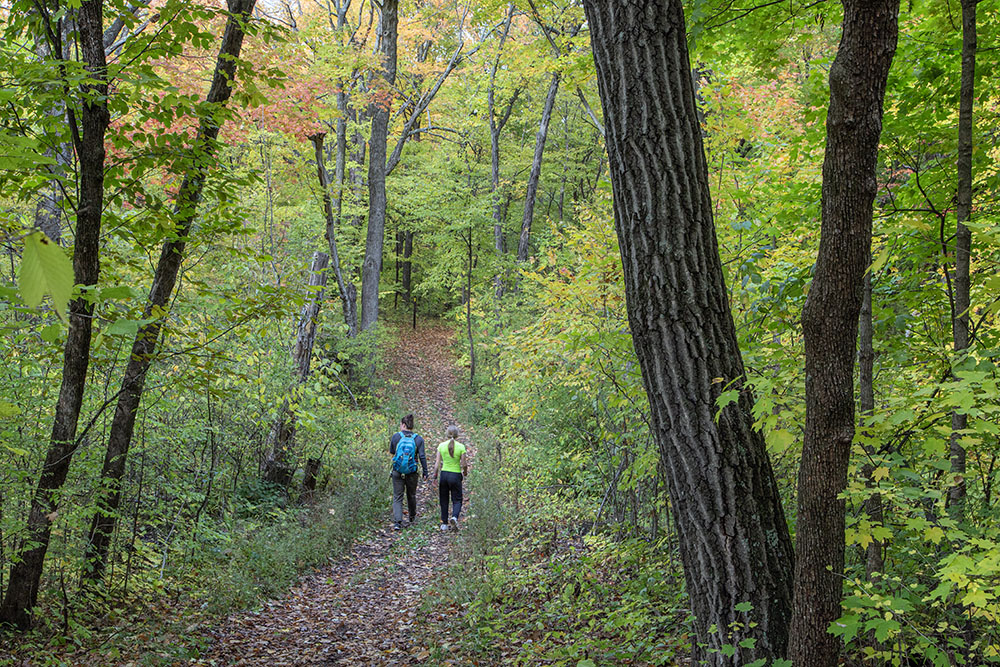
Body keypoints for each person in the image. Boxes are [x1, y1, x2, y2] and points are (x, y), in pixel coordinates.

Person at [389, 413, 427, 530]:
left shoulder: (396, 437)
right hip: (412, 471)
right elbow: (422, 456)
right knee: (411, 495)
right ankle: (412, 517)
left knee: (397, 496)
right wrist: (425, 472)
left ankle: (397, 522)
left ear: (403, 425)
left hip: (397, 471)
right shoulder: (418, 439)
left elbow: (392, 452)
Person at [431, 425, 468, 531]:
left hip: (444, 475)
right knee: (457, 499)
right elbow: (464, 464)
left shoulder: (441, 446)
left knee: (444, 499)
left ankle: (444, 523)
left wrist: (435, 476)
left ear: (446, 434)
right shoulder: (461, 447)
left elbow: (437, 463)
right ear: (457, 435)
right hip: (455, 475)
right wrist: (465, 472)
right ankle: (454, 517)